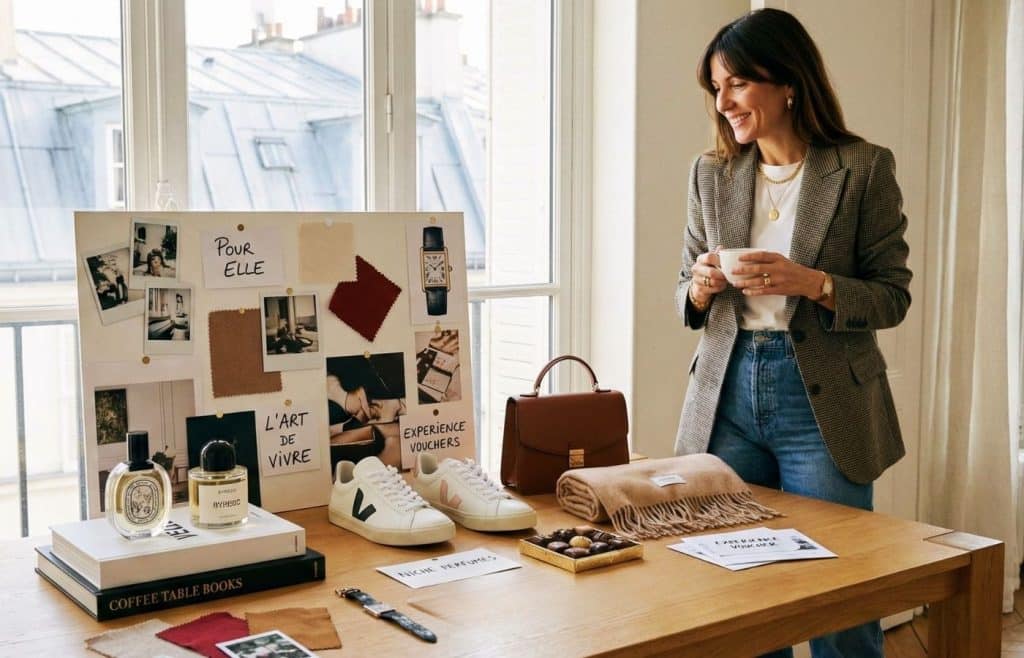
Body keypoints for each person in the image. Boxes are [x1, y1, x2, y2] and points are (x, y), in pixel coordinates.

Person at [674, 9, 911, 658]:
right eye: (716, 89)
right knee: (737, 593)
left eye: (737, 84)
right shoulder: (711, 174)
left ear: (787, 82)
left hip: (822, 402)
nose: (722, 103)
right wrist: (698, 285)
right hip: (726, 398)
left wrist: (810, 283)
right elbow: (685, 296)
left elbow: (893, 295)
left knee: (838, 590)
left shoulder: (862, 170)